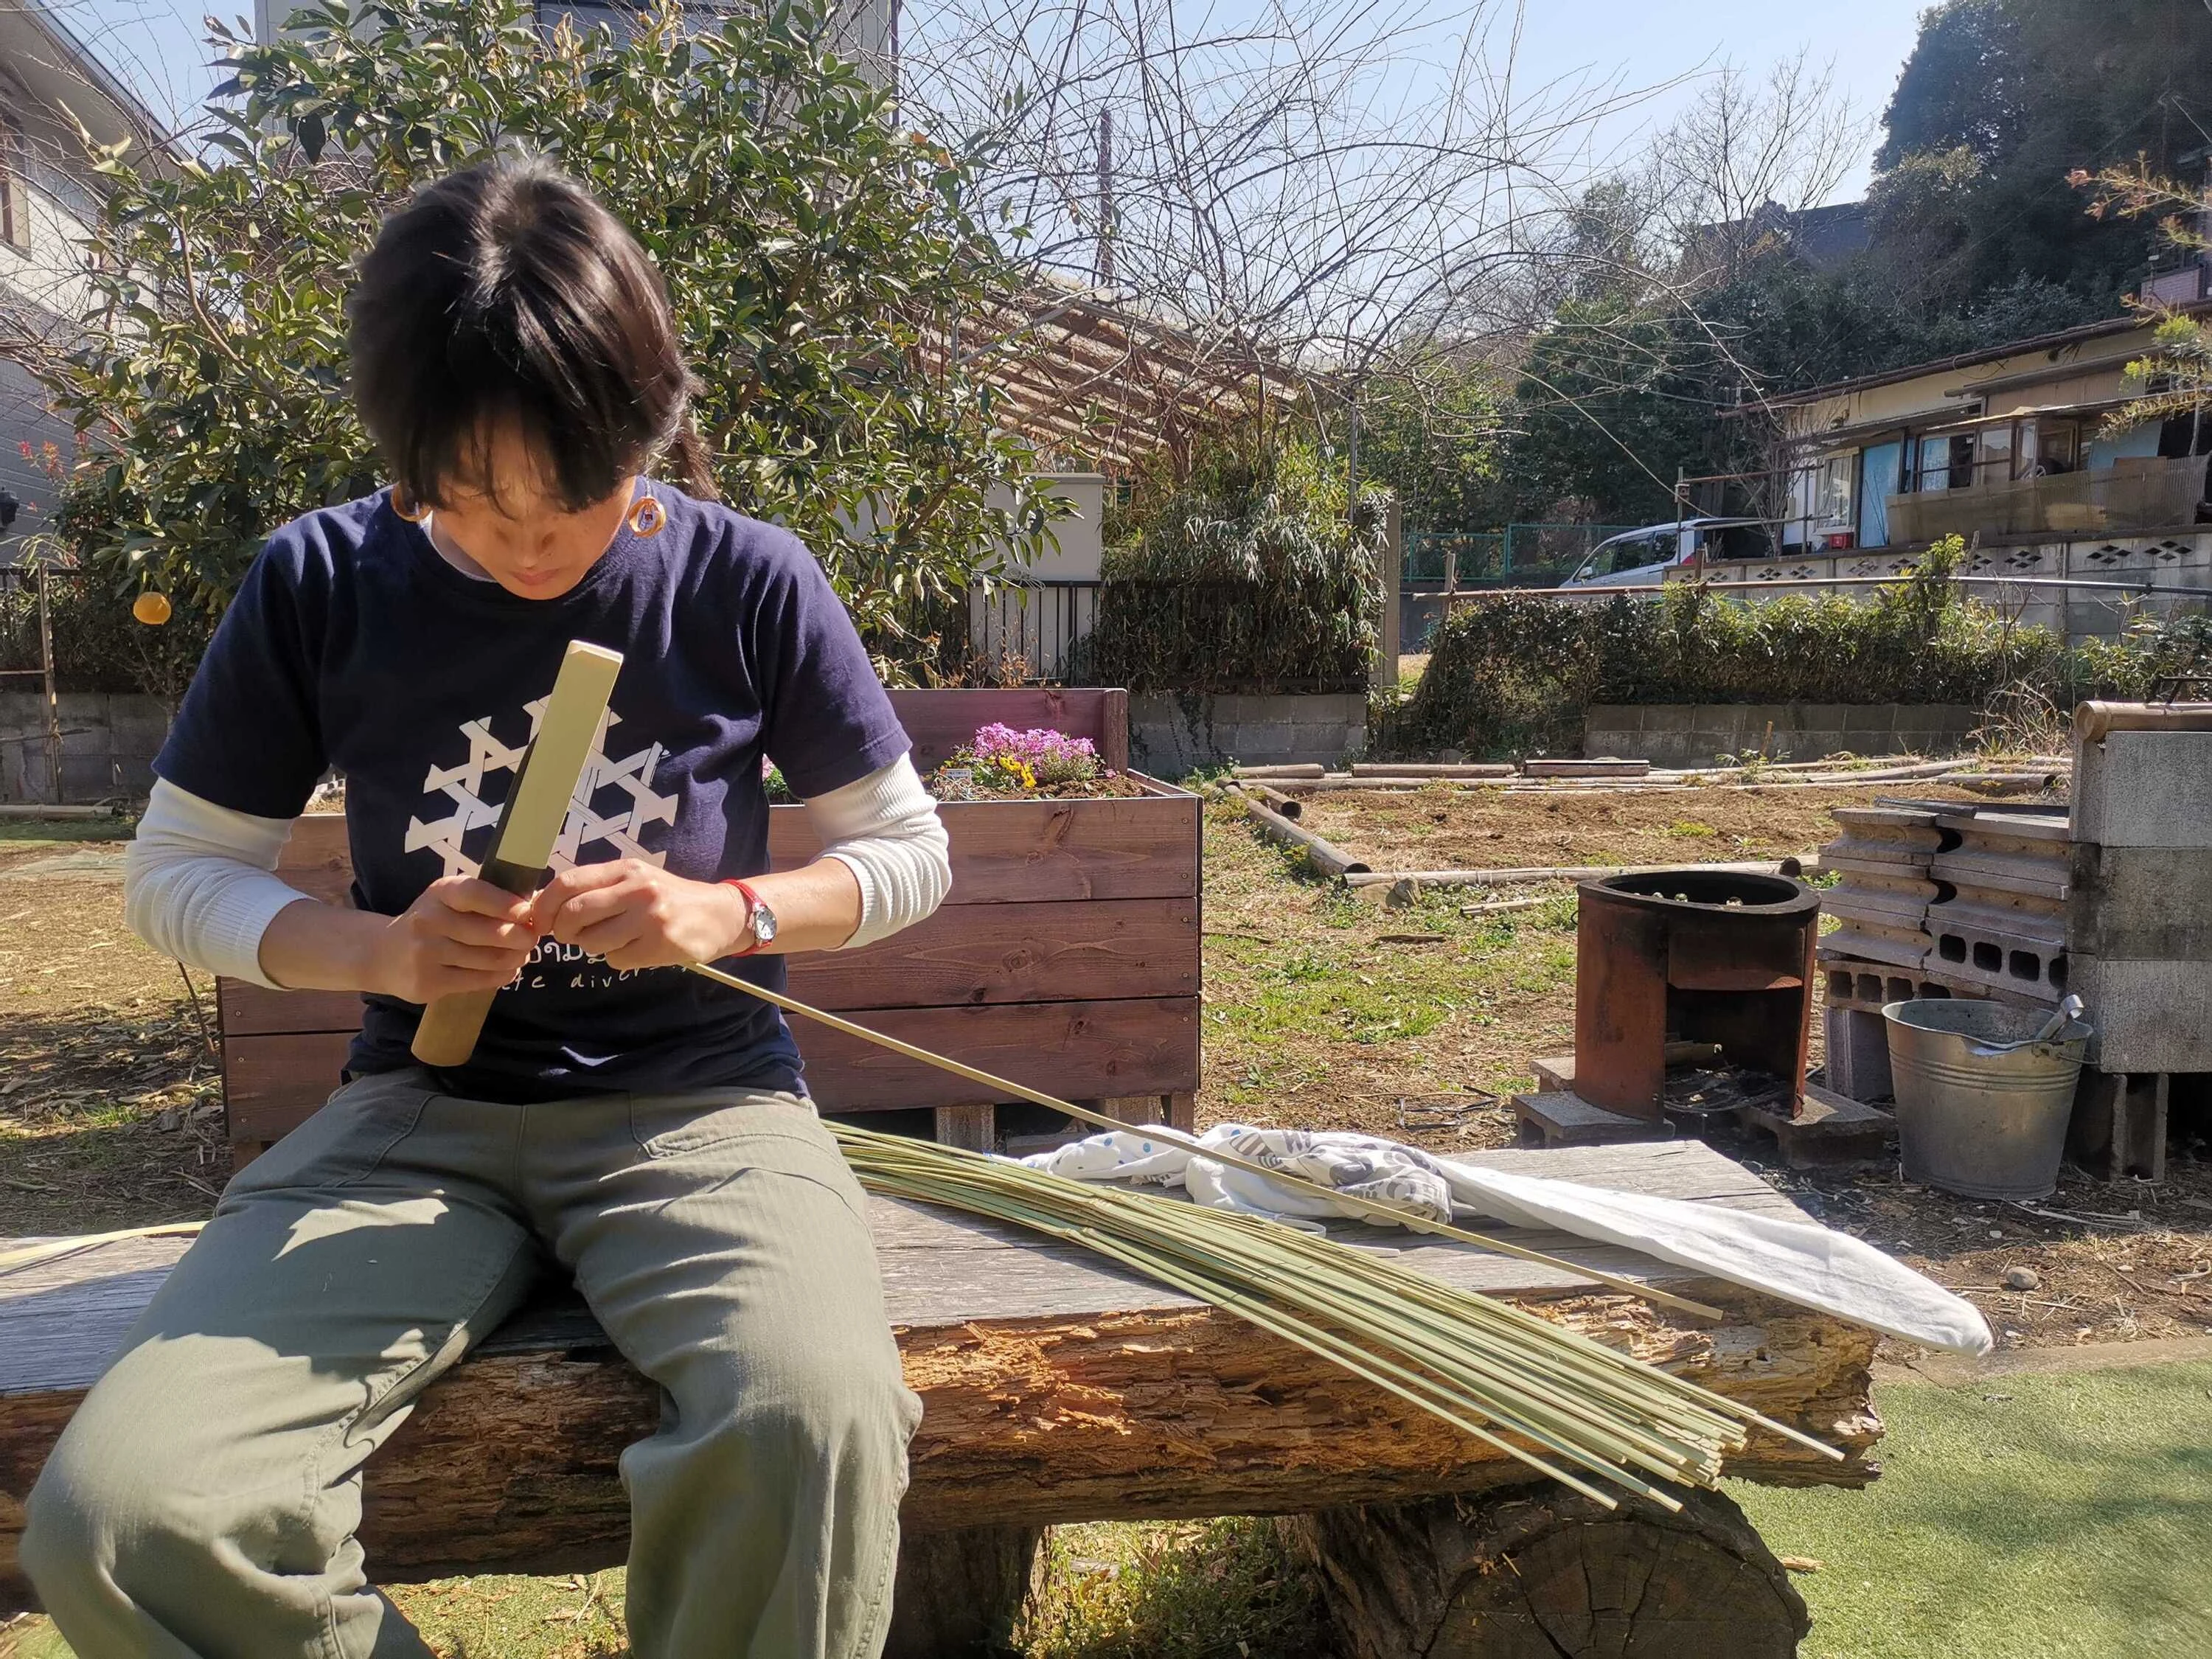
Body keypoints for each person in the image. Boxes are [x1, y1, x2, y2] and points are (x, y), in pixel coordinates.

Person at [21, 155, 950, 1659]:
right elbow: (171, 878)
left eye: (578, 491)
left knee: (812, 1422)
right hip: (418, 1114)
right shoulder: (322, 580)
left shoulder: (748, 581)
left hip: (701, 1111)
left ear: (650, 430)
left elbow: (909, 855)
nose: (531, 541)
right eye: (472, 494)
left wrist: (727, 915)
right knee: (127, 1519)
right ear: (407, 452)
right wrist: (379, 948)